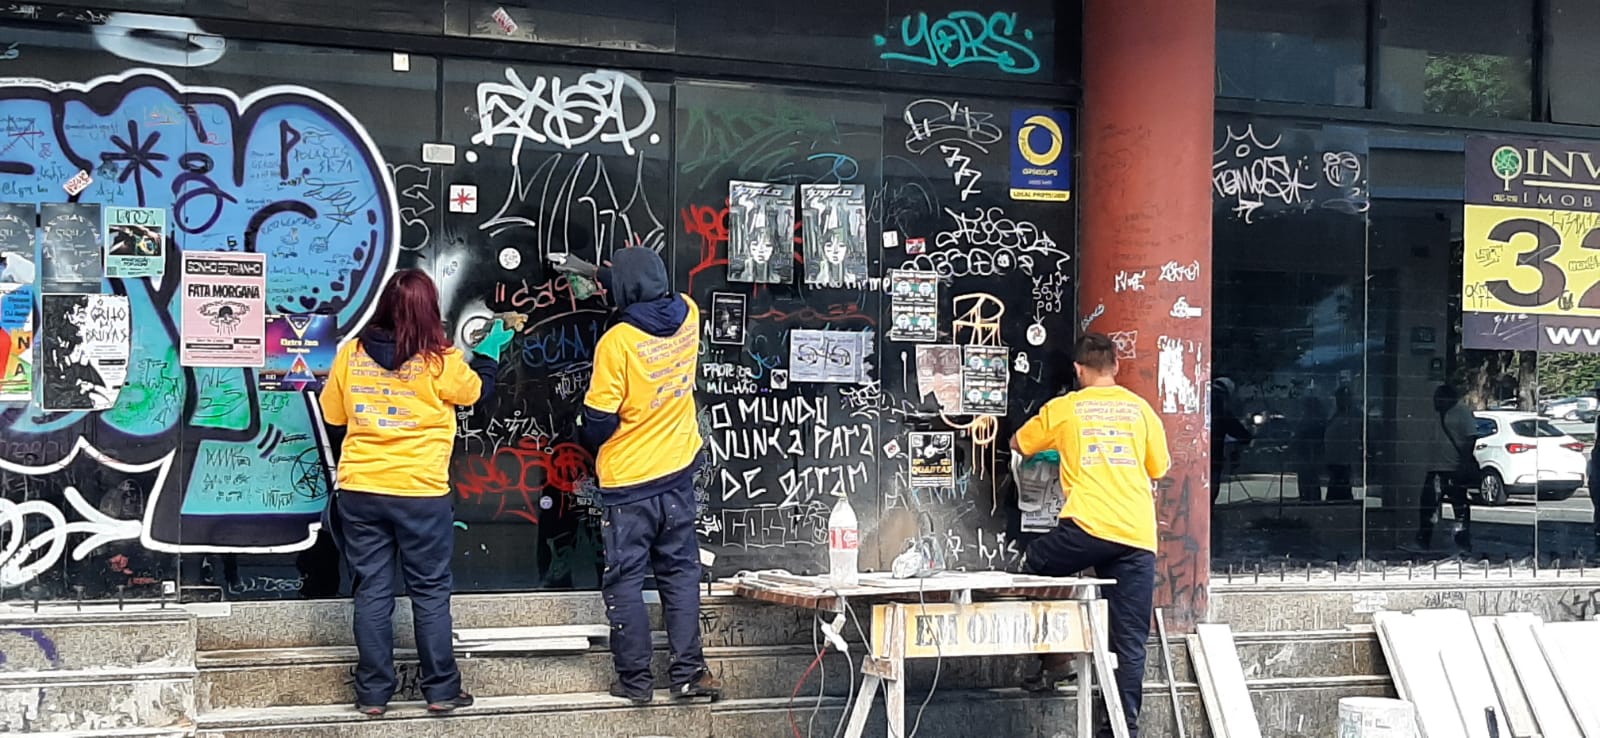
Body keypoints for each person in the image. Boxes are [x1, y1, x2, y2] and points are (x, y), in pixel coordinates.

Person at [318, 269, 512, 717]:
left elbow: (334, 414)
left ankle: (372, 695)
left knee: (371, 591)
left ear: (383, 305)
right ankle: (441, 690)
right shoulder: (438, 361)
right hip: (420, 494)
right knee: (429, 593)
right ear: (429, 311)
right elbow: (476, 393)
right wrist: (487, 355)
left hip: (362, 490)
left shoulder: (352, 355)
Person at [558, 247, 722, 705]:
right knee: (680, 574)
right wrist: (598, 274)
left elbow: (600, 421)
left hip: (630, 483)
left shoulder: (617, 342)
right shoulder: (688, 313)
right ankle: (688, 673)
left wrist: (577, 428)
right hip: (678, 473)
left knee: (626, 578)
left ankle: (635, 681)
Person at [1012, 333, 1170, 738]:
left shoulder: (1067, 408)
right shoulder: (1141, 411)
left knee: (1036, 563)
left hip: (1088, 527)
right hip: (1137, 534)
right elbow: (1159, 467)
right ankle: (1122, 729)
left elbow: (1018, 443)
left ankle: (1056, 655)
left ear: (1079, 370)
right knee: (1130, 642)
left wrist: (1055, 449)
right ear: (1115, 367)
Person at [1416, 384, 1478, 551]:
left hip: (1453, 468)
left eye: (1439, 399)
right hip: (1435, 468)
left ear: (1448, 398)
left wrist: (1463, 464)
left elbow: (1471, 438)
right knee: (1428, 506)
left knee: (1459, 507)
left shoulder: (1462, 412)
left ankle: (1463, 542)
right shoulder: (1436, 414)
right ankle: (1424, 540)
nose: (1435, 402)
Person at [1209, 377, 1252, 503]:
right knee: (1211, 490)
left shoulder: (1204, 397)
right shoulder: (1220, 405)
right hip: (1214, 456)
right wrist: (1247, 438)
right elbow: (1234, 428)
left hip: (1199, 455)